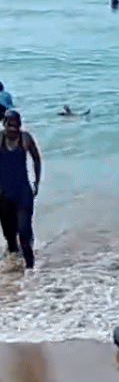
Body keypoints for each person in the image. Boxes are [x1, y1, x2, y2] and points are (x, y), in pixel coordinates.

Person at [0, 111, 41, 269]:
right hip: (3, 196)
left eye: (16, 125)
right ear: (4, 124)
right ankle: (15, 273)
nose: (13, 129)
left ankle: (31, 269)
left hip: (23, 193)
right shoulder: (0, 139)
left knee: (24, 232)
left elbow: (36, 158)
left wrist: (37, 181)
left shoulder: (25, 138)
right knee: (10, 238)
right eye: (10, 125)